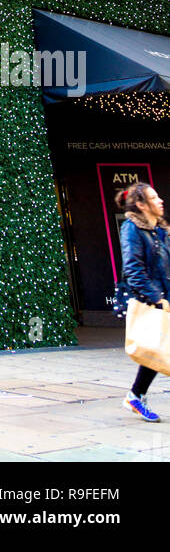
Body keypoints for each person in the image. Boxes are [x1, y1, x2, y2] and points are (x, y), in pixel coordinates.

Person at [119, 181, 170, 422]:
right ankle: (135, 395)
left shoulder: (160, 230)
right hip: (153, 301)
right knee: (154, 349)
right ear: (141, 204)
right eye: (154, 197)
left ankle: (136, 395)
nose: (160, 200)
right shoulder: (132, 228)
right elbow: (133, 269)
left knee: (157, 351)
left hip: (165, 298)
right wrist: (156, 298)